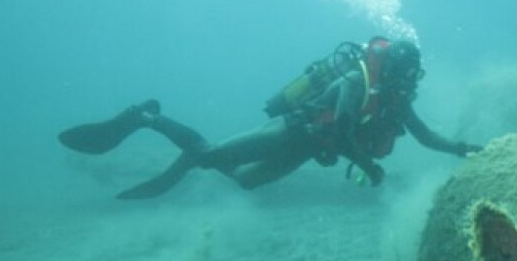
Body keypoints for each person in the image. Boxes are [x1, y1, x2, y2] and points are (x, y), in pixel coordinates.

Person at [59, 37, 482, 199]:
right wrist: (369, 167)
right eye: (405, 73)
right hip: (290, 132)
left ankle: (196, 156)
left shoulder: (394, 98)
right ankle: (147, 118)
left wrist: (462, 149)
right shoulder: (356, 82)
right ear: (390, 68)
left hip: (306, 151)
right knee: (209, 154)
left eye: (414, 75)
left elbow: (425, 136)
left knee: (244, 181)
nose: (410, 81)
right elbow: (344, 130)